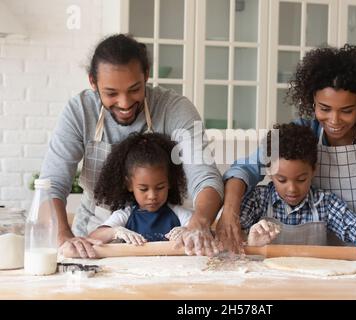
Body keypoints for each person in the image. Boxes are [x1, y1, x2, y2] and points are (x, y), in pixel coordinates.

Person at [218, 44, 356, 264]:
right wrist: (229, 213)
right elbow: (243, 169)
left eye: (346, 111)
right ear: (312, 99)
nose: (334, 120)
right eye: (324, 108)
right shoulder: (302, 134)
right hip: (323, 260)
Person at [40, 34, 223, 258]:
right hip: (94, 241)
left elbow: (204, 176)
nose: (125, 103)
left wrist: (198, 224)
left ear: (146, 75)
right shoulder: (80, 111)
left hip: (165, 244)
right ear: (93, 82)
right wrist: (63, 237)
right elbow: (52, 184)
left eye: (135, 89)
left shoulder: (175, 109)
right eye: (111, 93)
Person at [243, 123, 356, 259]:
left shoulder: (324, 203)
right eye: (282, 180)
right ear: (269, 171)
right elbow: (231, 237)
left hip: (315, 285)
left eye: (301, 179)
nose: (292, 189)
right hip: (268, 284)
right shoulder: (258, 200)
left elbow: (355, 226)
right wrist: (250, 244)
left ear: (314, 170)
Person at [88, 132, 192, 245]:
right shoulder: (124, 215)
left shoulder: (180, 215)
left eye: (160, 187)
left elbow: (203, 231)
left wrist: (188, 230)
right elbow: (94, 237)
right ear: (129, 185)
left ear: (170, 183)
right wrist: (115, 231)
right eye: (143, 189)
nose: (152, 196)